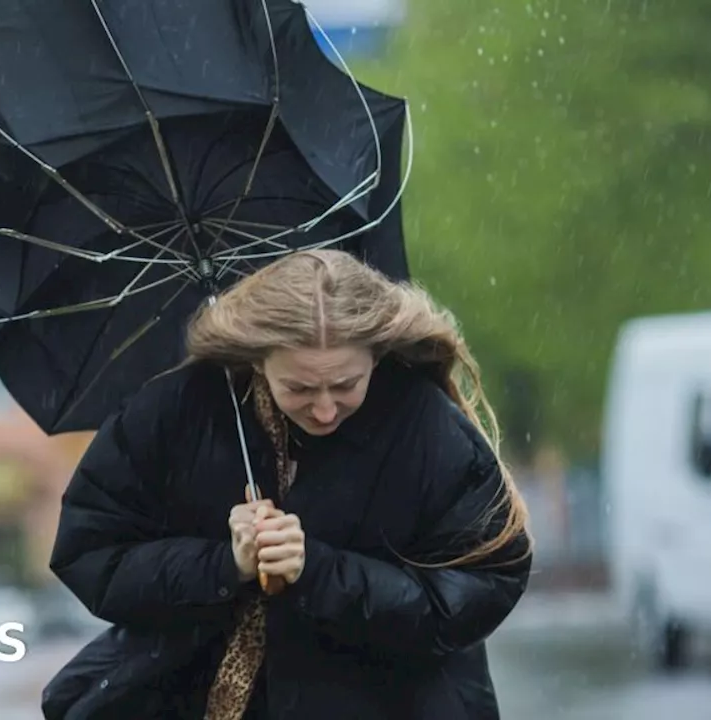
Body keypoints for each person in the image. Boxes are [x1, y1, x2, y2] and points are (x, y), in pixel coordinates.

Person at [42, 249, 533, 720]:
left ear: (377, 357)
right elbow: (91, 553)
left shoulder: (427, 429)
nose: (324, 409)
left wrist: (318, 571)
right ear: (257, 358)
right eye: (298, 388)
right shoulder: (175, 413)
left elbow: (479, 589)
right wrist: (224, 563)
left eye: (346, 385)